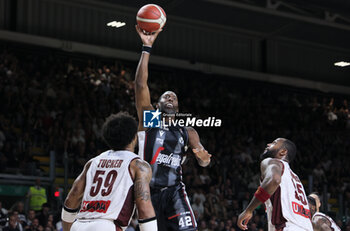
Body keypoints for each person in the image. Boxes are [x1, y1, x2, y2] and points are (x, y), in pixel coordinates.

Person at [134, 26, 212, 231]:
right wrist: (146, 47)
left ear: (177, 107)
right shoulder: (150, 119)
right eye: (165, 96)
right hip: (145, 191)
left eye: (174, 97)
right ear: (158, 104)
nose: (170, 98)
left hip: (174, 190)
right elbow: (141, 85)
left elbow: (204, 161)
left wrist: (203, 157)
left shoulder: (188, 131)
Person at [61, 112, 157, 231]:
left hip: (79, 224)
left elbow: (73, 196)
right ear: (134, 137)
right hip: (107, 225)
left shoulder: (93, 162)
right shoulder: (137, 165)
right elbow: (144, 209)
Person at [237, 138, 313, 231]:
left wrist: (248, 210)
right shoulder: (295, 178)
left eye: (274, 143)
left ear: (283, 152)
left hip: (287, 227)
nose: (268, 144)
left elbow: (274, 180)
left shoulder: (272, 161)